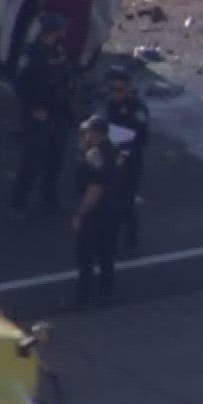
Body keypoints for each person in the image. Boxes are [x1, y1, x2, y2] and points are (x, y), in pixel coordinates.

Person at [7, 13, 75, 221]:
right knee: (32, 160)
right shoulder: (32, 53)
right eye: (59, 30)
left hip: (58, 111)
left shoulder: (58, 51)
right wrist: (33, 108)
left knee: (56, 157)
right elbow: (20, 85)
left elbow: (65, 75)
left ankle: (49, 196)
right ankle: (18, 203)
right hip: (39, 112)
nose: (63, 34)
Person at [71, 115, 122, 306]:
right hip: (112, 208)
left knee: (85, 254)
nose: (84, 136)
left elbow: (95, 188)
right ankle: (105, 293)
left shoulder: (94, 155)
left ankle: (83, 297)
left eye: (87, 132)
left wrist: (80, 213)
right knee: (106, 254)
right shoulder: (113, 150)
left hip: (97, 213)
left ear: (95, 134)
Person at [100, 68, 150, 254]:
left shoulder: (136, 110)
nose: (115, 94)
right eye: (113, 90)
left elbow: (140, 138)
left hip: (129, 162)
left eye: (120, 90)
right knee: (108, 201)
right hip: (112, 158)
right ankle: (109, 237)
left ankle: (130, 239)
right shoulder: (111, 105)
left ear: (129, 90)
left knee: (126, 202)